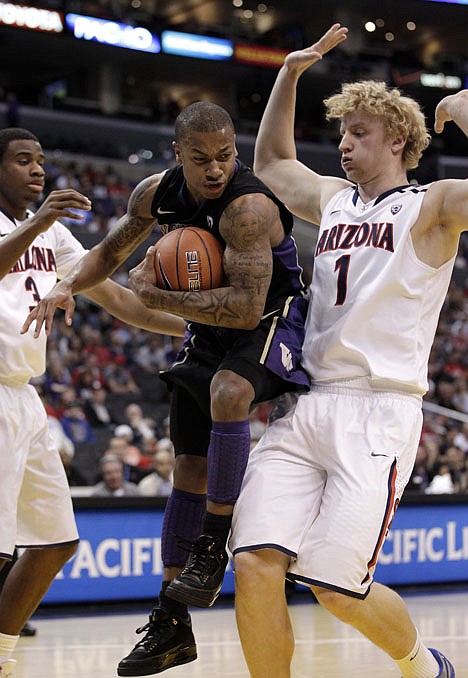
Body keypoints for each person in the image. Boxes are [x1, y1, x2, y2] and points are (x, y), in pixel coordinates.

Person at [22, 101, 310, 676]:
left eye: (225, 156)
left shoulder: (248, 208)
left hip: (272, 320)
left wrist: (155, 297)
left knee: (229, 391)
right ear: (177, 154)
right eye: (200, 159)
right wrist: (66, 287)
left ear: (236, 150)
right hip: (209, 327)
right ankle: (170, 623)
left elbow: (247, 307)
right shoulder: (156, 192)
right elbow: (108, 253)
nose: (215, 170)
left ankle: (214, 543)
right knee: (186, 467)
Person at [229, 23, 467, 678]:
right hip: (306, 406)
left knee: (335, 586)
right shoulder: (334, 202)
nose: (342, 145)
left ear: (397, 138)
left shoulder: (433, 206)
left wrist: (464, 110)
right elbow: (275, 165)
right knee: (252, 563)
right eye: (339, 135)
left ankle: (422, 664)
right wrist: (289, 74)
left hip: (379, 413)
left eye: (356, 133)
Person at [0, 127, 185, 677]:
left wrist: (202, 331)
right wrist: (40, 221)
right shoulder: (39, 227)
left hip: (24, 399)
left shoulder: (51, 239)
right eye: (21, 161)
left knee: (56, 542)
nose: (36, 170)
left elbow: (122, 301)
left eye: (40, 160)